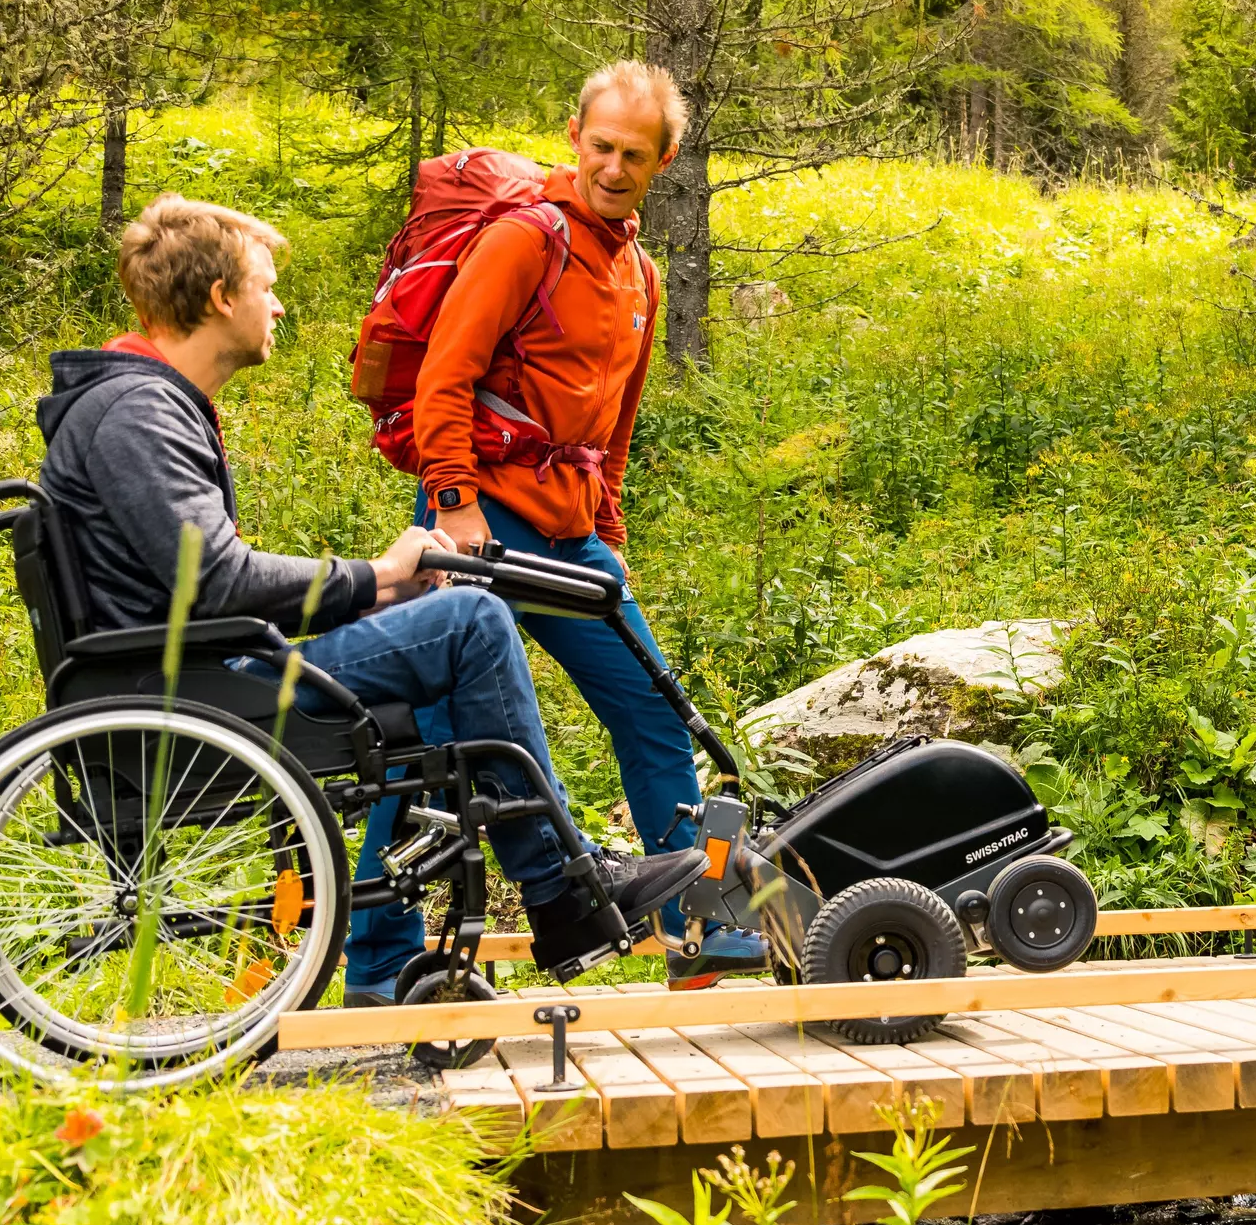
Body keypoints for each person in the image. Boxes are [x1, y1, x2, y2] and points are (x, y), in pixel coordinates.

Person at [37, 195, 686, 998]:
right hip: (190, 697)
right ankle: (562, 890)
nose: (279, 306)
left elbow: (203, 586)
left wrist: (382, 594)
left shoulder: (144, 404)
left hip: (197, 674)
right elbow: (217, 582)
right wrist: (376, 575)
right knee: (472, 620)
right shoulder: (139, 414)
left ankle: (454, 930)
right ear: (221, 298)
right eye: (267, 287)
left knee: (445, 620)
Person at [397, 59, 768, 979]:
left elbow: (615, 429)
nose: (613, 167)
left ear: (664, 161)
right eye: (601, 146)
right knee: (433, 743)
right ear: (575, 137)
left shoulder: (640, 272)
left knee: (652, 711)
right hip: (480, 519)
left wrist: (611, 534)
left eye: (634, 155)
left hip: (571, 536)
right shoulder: (525, 241)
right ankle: (376, 955)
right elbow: (444, 376)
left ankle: (698, 930)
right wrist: (455, 503)